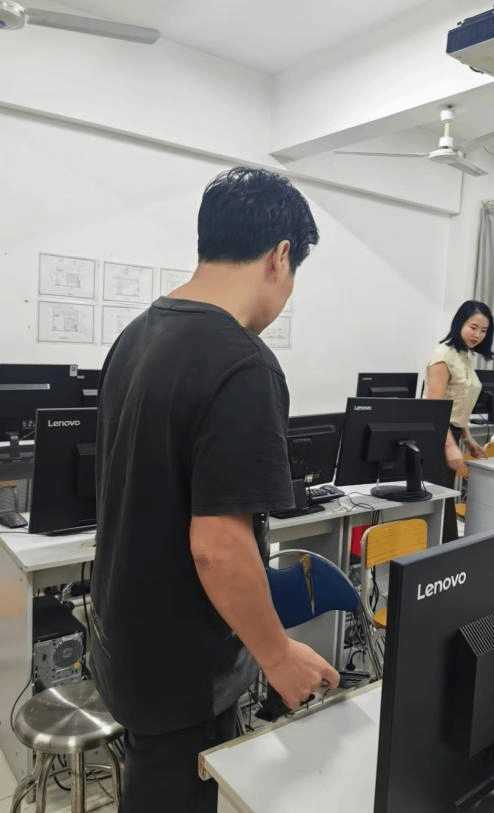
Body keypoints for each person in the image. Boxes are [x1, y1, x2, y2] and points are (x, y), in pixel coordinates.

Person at [90, 166, 340, 812]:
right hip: (184, 666)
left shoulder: (135, 336)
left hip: (125, 641)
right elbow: (218, 547)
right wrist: (277, 655)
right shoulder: (243, 363)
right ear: (279, 257)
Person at [423, 300, 494, 542]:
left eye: (484, 331)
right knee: (437, 505)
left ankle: (445, 554)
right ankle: (435, 557)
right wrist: (450, 446)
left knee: (444, 502)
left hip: (450, 433)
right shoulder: (442, 356)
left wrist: (468, 438)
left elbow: (457, 403)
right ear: (459, 323)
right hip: (435, 437)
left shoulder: (463, 356)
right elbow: (435, 409)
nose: (478, 335)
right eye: (473, 327)